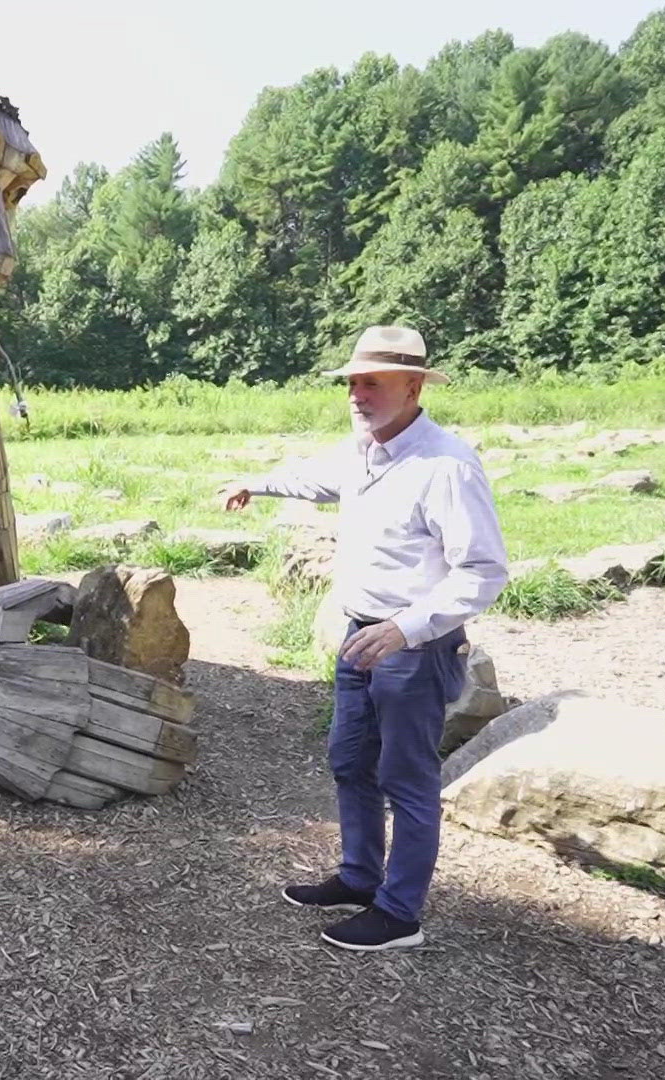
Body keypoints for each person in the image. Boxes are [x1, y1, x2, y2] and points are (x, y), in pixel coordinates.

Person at [219, 326, 507, 952]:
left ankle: (399, 914)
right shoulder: (365, 449)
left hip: (413, 646)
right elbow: (322, 482)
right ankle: (358, 876)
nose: (357, 393)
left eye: (372, 381)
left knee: (407, 779)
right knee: (351, 761)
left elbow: (484, 572)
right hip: (359, 634)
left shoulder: (447, 466)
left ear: (413, 385)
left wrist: (404, 629)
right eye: (352, 381)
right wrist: (257, 482)